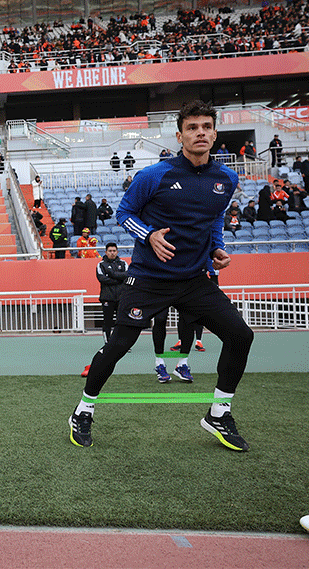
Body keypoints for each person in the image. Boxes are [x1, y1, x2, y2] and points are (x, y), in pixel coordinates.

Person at [68, 100, 254, 452]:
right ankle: (84, 409)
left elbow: (215, 218)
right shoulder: (155, 175)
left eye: (206, 127)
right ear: (180, 134)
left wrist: (216, 247)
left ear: (215, 133)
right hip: (149, 278)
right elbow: (125, 213)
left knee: (240, 335)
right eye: (192, 127)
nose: (200, 133)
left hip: (195, 278)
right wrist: (149, 235)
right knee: (119, 345)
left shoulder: (227, 179)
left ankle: (219, 412)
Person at [96, 242, 127, 343]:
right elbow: (102, 279)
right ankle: (108, 343)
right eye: (110, 251)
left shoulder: (123, 263)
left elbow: (127, 277)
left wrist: (112, 275)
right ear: (106, 252)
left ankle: (121, 343)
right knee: (107, 321)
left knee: (122, 322)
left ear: (117, 252)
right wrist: (118, 279)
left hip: (121, 298)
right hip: (107, 298)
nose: (112, 253)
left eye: (114, 251)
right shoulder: (101, 265)